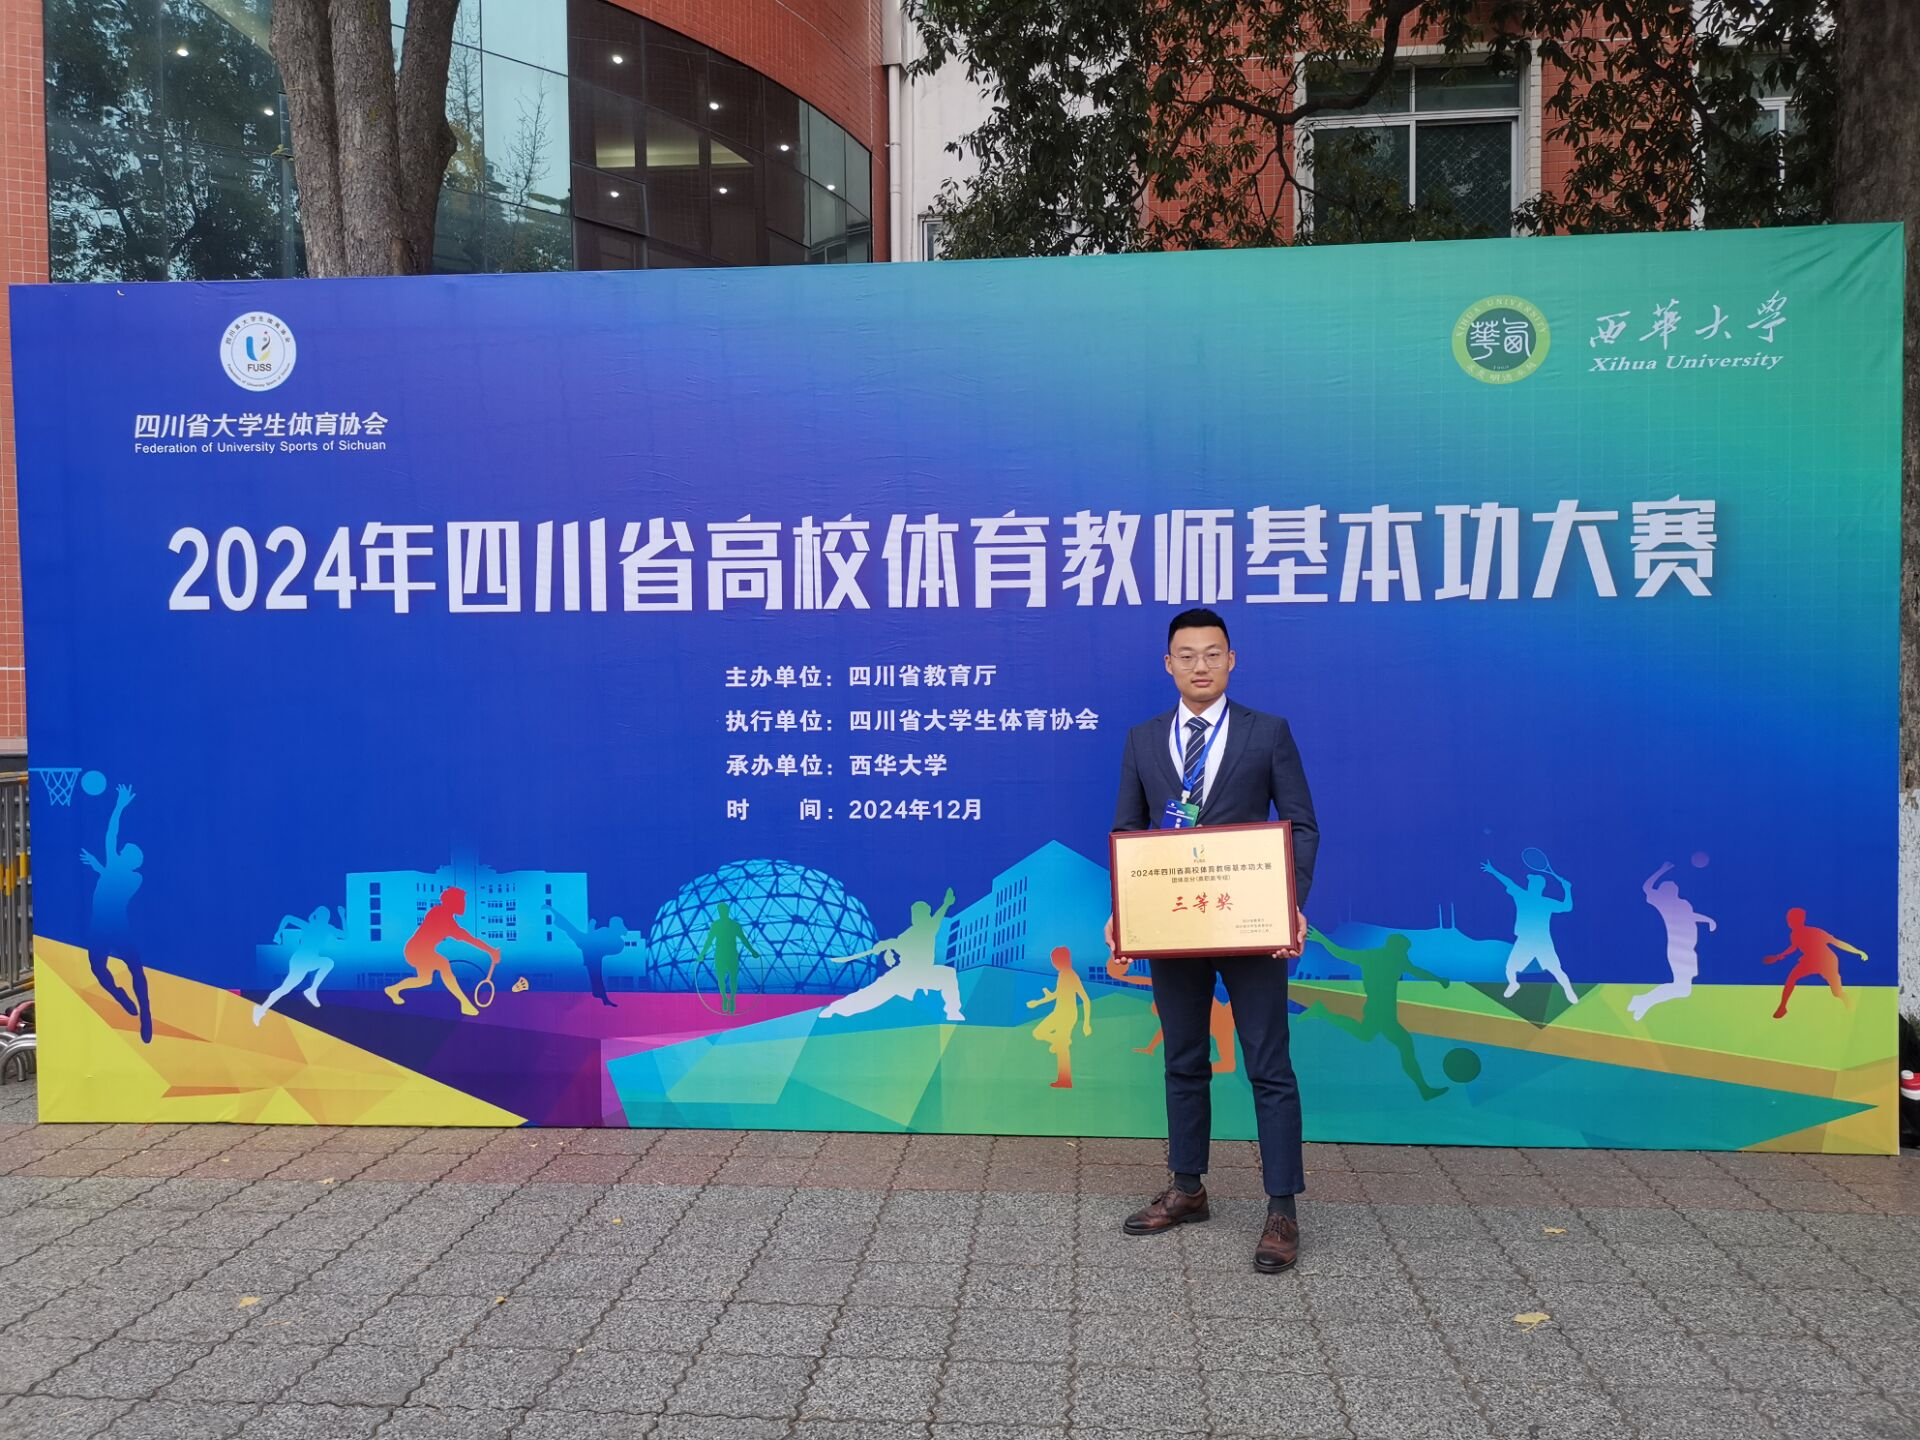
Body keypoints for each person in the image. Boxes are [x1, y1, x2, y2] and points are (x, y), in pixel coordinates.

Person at [1106, 607, 1318, 1275]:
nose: (1201, 665)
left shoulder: (1267, 732)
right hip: (1174, 925)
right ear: (1168, 664)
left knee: (1269, 1066)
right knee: (1183, 1058)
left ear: (1232, 660)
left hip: (1249, 924)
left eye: (1213, 653)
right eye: (1187, 655)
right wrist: (1123, 911)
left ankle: (1281, 1208)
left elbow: (1301, 824)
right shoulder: (1143, 739)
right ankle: (1187, 1188)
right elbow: (1129, 832)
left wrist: (1290, 905)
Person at [1301, 928, 1450, 1101]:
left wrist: (1439, 979)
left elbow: (1417, 971)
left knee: (1367, 1035)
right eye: (1404, 949)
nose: (1406, 953)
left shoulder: (1390, 958)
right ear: (1397, 947)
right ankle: (1424, 1090)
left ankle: (1322, 1012)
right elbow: (1342, 953)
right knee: (1404, 1045)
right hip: (1380, 1012)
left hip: (1380, 1011)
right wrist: (1322, 940)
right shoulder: (1392, 958)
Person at [823, 888, 963, 1022]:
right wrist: (886, 948)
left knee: (948, 975)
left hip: (923, 973)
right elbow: (896, 944)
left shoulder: (928, 928)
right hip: (905, 974)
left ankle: (953, 1011)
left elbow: (937, 917)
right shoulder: (907, 935)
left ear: (926, 915)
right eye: (916, 914)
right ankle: (836, 1008)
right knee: (871, 995)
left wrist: (946, 903)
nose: (918, 917)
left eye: (922, 914)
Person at [81, 784, 151, 1044]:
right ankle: (121, 995)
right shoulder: (115, 868)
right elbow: (112, 838)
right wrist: (99, 866)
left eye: (124, 851)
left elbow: (112, 835)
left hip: (115, 927)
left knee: (136, 969)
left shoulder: (134, 877)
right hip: (101, 926)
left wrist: (120, 806)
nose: (119, 850)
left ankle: (145, 1014)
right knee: (98, 969)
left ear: (131, 860)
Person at [386, 886, 496, 1017]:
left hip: (421, 951)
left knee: (425, 980)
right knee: (443, 965)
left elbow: (467, 937)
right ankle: (465, 1004)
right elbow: (467, 937)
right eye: (461, 901)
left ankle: (393, 989)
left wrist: (491, 950)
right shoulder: (439, 914)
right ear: (452, 902)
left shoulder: (446, 918)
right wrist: (491, 951)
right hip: (416, 950)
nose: (464, 904)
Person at [1481, 858, 1578, 1004]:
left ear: (1538, 887)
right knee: (1510, 968)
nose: (1529, 884)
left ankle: (1568, 991)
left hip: (1542, 942)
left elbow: (1567, 907)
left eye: (1532, 882)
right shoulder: (1524, 896)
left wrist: (1567, 889)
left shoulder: (1539, 900)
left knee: (1556, 970)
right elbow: (1508, 882)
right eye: (1530, 882)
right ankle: (1514, 984)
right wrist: (1493, 871)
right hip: (1525, 941)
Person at [1629, 862, 1715, 1021]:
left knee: (1684, 990)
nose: (1674, 887)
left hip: (1690, 950)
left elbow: (1690, 916)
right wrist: (1661, 871)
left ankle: (1642, 1001)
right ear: (1664, 891)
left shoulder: (1683, 904)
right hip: (1677, 950)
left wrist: (1708, 920)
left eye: (1674, 886)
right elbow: (1647, 887)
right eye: (1669, 887)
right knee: (1682, 989)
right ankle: (1643, 1001)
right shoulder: (1662, 902)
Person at [1764, 907, 1869, 1019]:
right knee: (1792, 978)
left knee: (1837, 993)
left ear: (1801, 920)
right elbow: (1794, 947)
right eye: (1789, 919)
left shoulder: (1815, 932)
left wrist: (1857, 951)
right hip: (1809, 960)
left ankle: (1846, 998)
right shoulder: (1794, 935)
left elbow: (1836, 942)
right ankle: (1782, 1007)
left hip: (1826, 961)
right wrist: (1779, 956)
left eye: (1793, 919)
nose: (1790, 922)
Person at [256, 905, 343, 1025]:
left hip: (312, 960)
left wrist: (342, 917)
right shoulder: (310, 926)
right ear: (318, 917)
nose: (325, 918)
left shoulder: (326, 928)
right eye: (323, 916)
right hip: (301, 960)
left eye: (326, 916)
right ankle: (261, 1009)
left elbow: (345, 935)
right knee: (285, 989)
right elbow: (288, 918)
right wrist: (278, 933)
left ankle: (312, 990)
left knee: (328, 962)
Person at [1027, 945, 1093, 1088]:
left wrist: (1086, 1023)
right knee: (1040, 1033)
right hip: (1060, 1012)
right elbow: (1057, 994)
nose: (1053, 964)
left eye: (1054, 961)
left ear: (1061, 961)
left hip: (1067, 1014)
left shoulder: (1070, 975)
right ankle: (1063, 1074)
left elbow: (1085, 999)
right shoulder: (1063, 975)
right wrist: (1038, 1002)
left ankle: (1065, 1080)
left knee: (1058, 1045)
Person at [547, 903, 625, 1007]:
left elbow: (595, 936)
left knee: (572, 931)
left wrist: (592, 927)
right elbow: (591, 935)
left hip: (598, 948)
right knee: (572, 931)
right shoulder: (604, 931)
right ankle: (602, 996)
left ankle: (601, 996)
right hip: (592, 949)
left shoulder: (611, 933)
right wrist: (591, 927)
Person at [697, 903, 759, 1014]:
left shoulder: (734, 925)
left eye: (723, 910)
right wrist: (702, 954)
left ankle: (732, 999)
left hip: (731, 955)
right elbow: (709, 940)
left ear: (727, 911)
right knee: (721, 979)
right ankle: (725, 999)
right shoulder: (716, 925)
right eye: (720, 911)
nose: (722, 913)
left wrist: (752, 951)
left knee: (733, 979)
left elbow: (743, 939)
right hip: (720, 955)